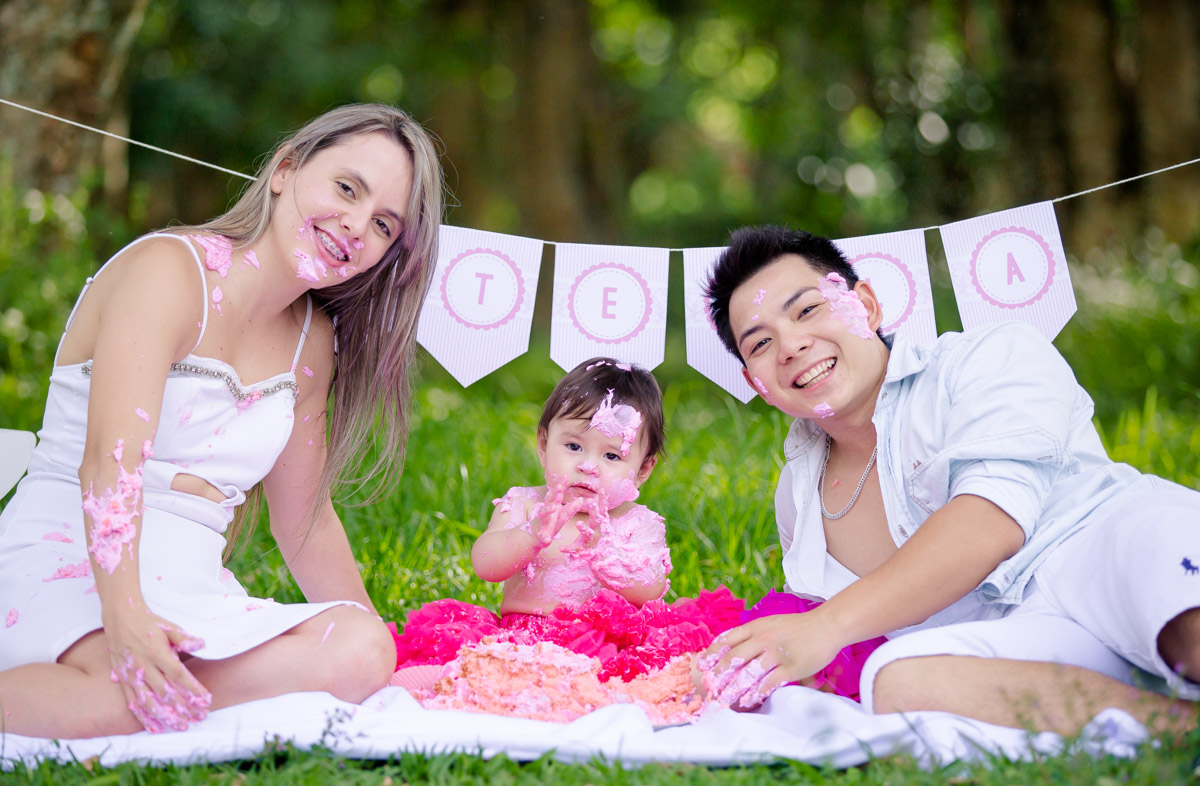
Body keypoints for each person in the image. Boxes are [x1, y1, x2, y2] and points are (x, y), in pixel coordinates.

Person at [0, 103, 444, 739]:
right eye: (347, 189)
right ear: (285, 170)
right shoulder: (168, 271)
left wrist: (383, 658)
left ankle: (141, 703)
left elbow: (305, 521)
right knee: (128, 685)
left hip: (193, 587)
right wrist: (127, 617)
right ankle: (127, 696)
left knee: (361, 648)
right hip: (73, 556)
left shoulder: (311, 342)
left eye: (382, 225)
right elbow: (109, 462)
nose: (355, 225)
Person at [698, 224, 1200, 734]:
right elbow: (840, 644)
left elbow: (989, 524)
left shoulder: (987, 356)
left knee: (1178, 601)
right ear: (755, 383)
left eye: (807, 310)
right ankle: (1176, 731)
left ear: (865, 306)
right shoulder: (798, 496)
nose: (791, 345)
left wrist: (824, 626)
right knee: (895, 681)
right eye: (761, 343)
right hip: (1020, 640)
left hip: (1106, 553)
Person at [391, 358, 743, 685]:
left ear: (643, 470)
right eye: (573, 447)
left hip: (606, 646)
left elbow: (651, 589)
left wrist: (607, 555)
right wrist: (531, 536)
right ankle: (445, 680)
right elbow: (486, 564)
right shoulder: (526, 505)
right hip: (524, 640)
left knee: (667, 671)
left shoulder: (638, 522)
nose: (588, 466)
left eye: (611, 455)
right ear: (544, 445)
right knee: (473, 666)